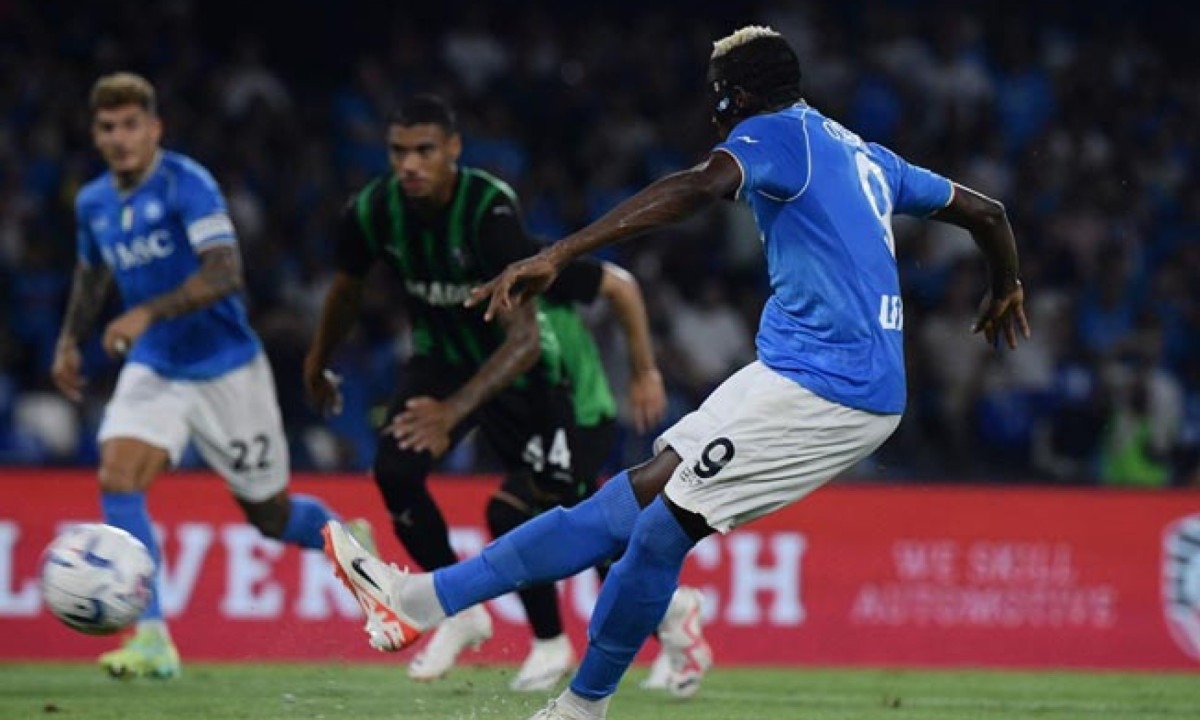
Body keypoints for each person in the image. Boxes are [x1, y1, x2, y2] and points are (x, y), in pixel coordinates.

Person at [323, 25, 1030, 718]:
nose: (713, 109)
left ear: (742, 96)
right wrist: (1006, 286)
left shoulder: (778, 131)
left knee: (660, 531)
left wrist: (561, 252)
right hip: (795, 371)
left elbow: (696, 188)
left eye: (719, 95)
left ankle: (574, 707)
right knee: (622, 508)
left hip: (830, 389)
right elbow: (988, 213)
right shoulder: (864, 153)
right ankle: (422, 602)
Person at [303, 94, 707, 692]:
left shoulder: (512, 237)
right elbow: (347, 289)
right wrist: (318, 362)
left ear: (454, 151)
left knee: (574, 529)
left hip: (545, 391)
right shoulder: (374, 213)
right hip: (446, 365)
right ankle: (466, 612)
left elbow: (601, 296)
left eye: (424, 151)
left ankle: (668, 616)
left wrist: (644, 371)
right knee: (397, 469)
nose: (410, 164)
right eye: (398, 152)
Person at [50, 72, 373, 680]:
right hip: (157, 366)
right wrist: (70, 338)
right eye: (106, 127)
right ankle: (152, 636)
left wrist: (145, 310)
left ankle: (346, 538)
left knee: (269, 516)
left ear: (154, 129)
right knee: (118, 471)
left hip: (227, 369)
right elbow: (92, 272)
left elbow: (225, 272)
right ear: (96, 134)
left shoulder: (186, 184)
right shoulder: (94, 202)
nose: (118, 138)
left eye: (129, 125)